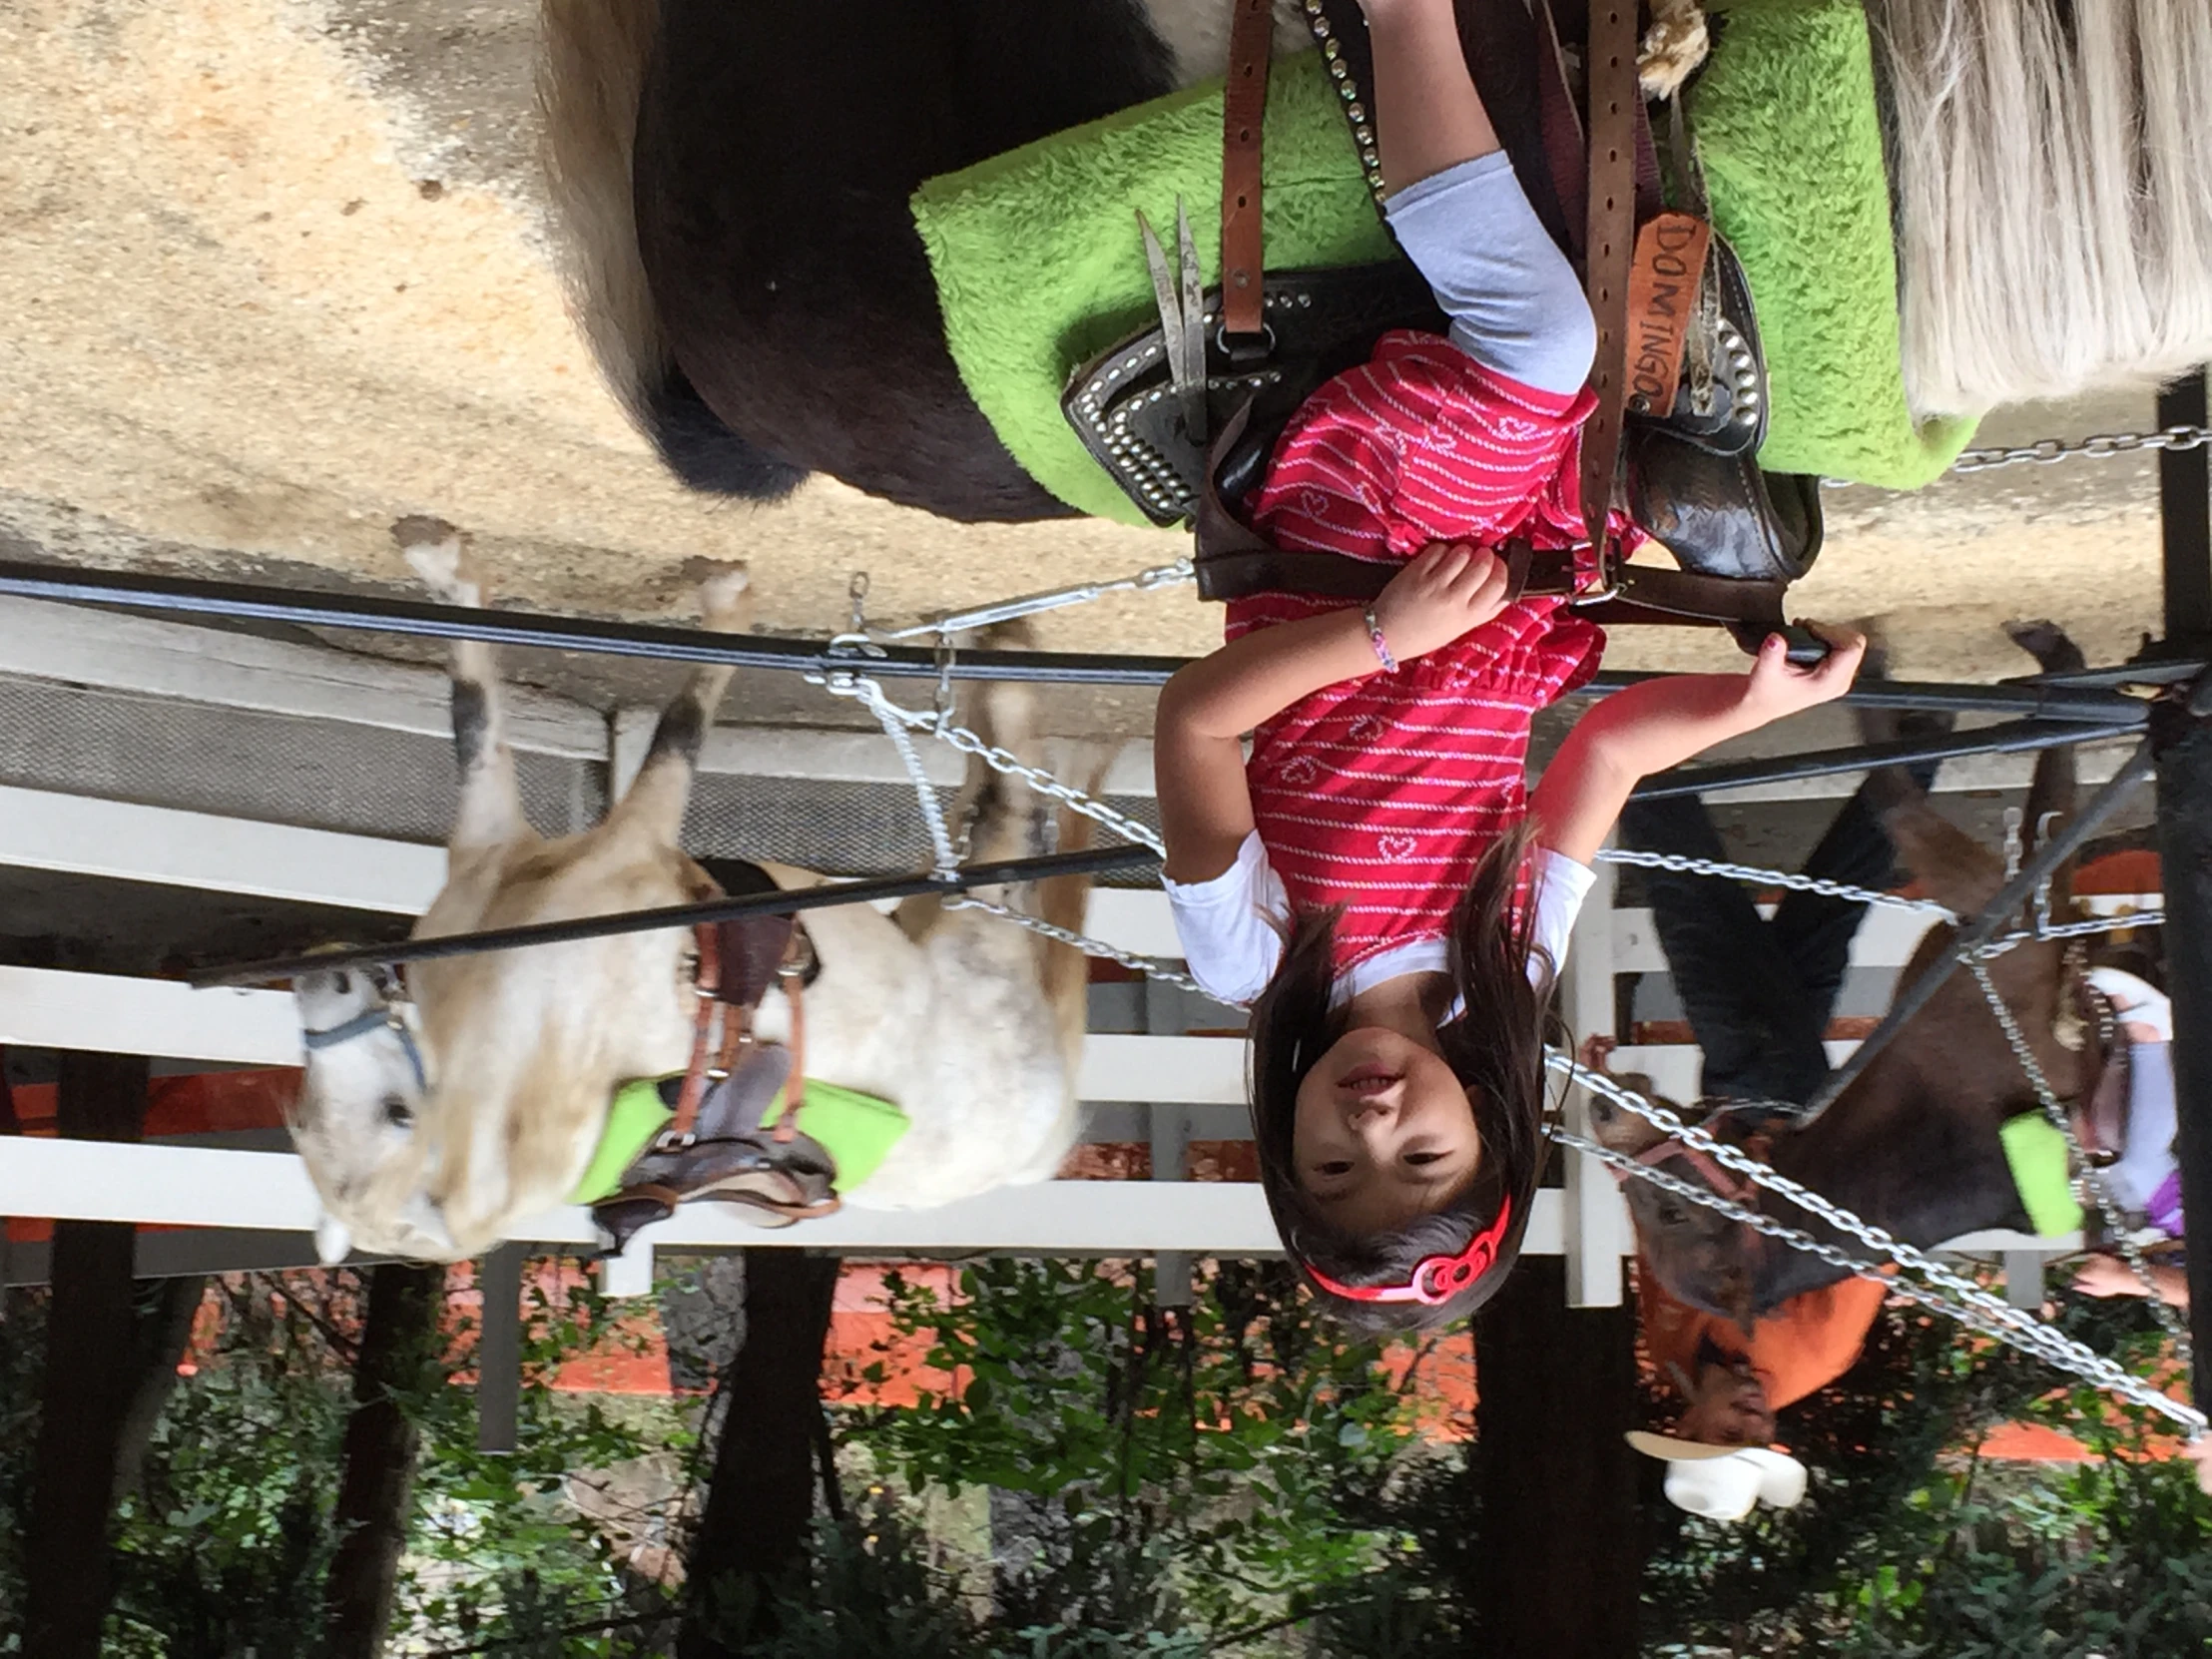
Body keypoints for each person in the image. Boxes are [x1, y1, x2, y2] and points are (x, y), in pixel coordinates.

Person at [1151, 0, 1867, 1333]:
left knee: (1542, 348)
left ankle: (1405, 20)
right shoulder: (1511, 966)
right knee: (1717, 483)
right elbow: (1603, 755)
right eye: (1421, 1154)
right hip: (1512, 569)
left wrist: (1380, 637)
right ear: (1490, 1119)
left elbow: (1193, 724)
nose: (1372, 1120)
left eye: (1329, 1159)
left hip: (1349, 550)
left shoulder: (1249, 959)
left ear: (1283, 1137)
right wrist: (1751, 704)